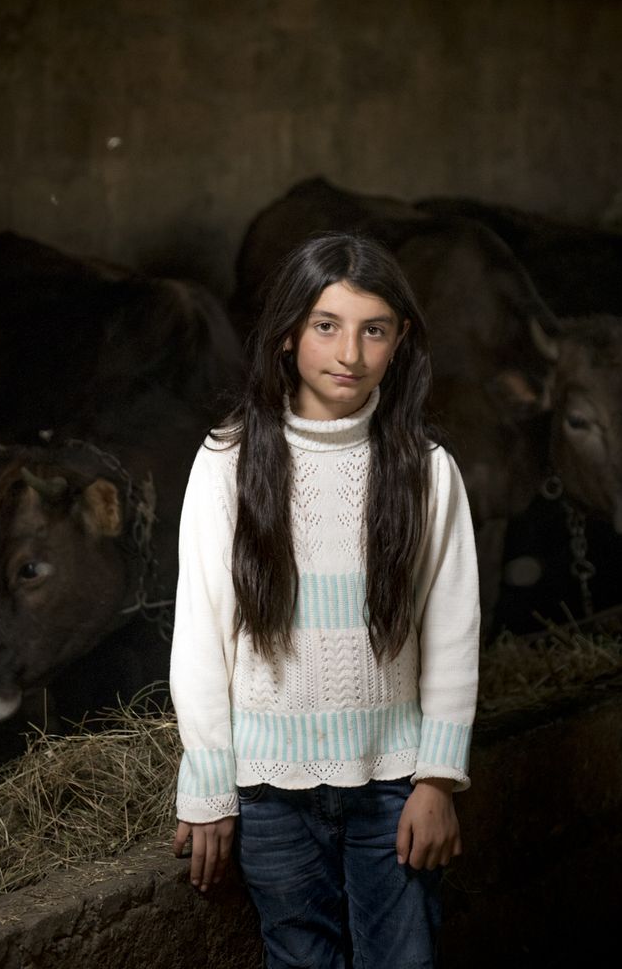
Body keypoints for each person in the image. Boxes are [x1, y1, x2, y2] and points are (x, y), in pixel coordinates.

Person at [170, 232, 480, 969]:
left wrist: (436, 779)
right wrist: (210, 788)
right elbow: (201, 634)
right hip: (271, 797)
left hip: (393, 788)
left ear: (400, 341)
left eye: (375, 330)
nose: (352, 353)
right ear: (286, 335)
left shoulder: (427, 472)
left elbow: (455, 634)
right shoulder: (228, 464)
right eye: (327, 326)